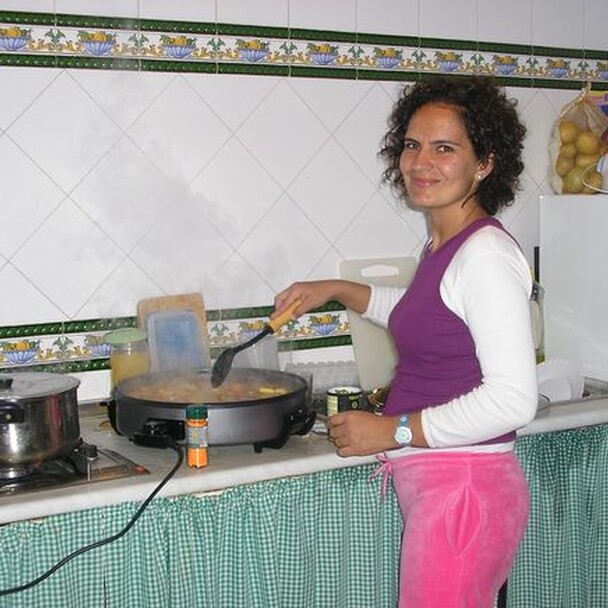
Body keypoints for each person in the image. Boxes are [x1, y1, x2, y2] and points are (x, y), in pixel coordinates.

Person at [272, 75, 537, 607]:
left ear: (485, 163)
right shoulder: (446, 243)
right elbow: (421, 312)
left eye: (445, 148)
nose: (420, 163)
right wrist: (336, 289)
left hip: (464, 489)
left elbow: (514, 400)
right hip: (448, 485)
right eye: (412, 145)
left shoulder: (484, 257)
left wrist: (390, 431)